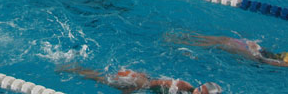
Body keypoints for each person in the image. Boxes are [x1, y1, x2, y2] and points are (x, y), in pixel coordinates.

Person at [172, 33, 288, 68]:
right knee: (224, 39)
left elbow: (280, 65)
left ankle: (181, 43)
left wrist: (256, 54)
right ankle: (187, 37)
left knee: (224, 45)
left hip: (258, 58)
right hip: (263, 53)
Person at [58, 64, 222, 94]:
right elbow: (153, 84)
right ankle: (72, 68)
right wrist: (134, 88)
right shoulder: (183, 86)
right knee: (101, 79)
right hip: (138, 82)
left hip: (143, 84)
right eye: (200, 92)